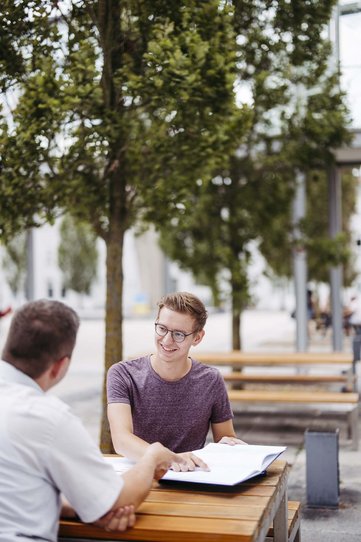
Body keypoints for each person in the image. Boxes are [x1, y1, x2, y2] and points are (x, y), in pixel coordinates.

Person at [0, 299, 184, 542]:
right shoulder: (48, 418)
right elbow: (118, 498)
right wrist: (151, 458)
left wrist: (81, 505)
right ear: (59, 366)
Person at [107, 291, 245, 472]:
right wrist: (170, 459)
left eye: (179, 334)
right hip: (140, 477)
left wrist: (230, 446)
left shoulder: (211, 380)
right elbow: (121, 440)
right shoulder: (122, 374)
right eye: (162, 328)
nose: (167, 340)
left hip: (191, 477)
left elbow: (225, 439)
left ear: (197, 337)